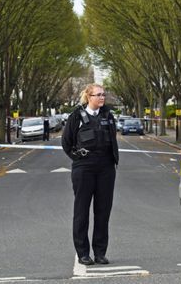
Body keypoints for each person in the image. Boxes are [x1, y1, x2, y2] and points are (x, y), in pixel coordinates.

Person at [62, 84, 119, 266]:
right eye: (98, 95)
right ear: (89, 97)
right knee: (82, 212)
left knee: (103, 211)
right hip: (84, 168)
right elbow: (66, 142)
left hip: (106, 168)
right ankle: (83, 253)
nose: (102, 98)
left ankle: (100, 253)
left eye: (103, 94)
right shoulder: (76, 117)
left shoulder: (108, 116)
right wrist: (77, 158)